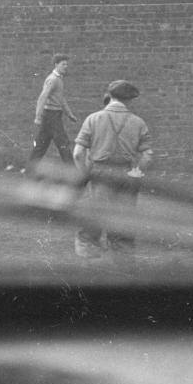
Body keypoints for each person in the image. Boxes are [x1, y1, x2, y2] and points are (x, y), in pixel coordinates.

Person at [72, 79, 153, 259]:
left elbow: (77, 153)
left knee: (96, 213)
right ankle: (122, 254)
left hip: (100, 172)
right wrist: (137, 172)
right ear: (129, 99)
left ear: (110, 96)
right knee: (124, 216)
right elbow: (147, 156)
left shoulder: (93, 119)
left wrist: (86, 174)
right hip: (127, 173)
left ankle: (89, 252)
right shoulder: (138, 122)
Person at [27, 53, 77, 168]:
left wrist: (69, 114)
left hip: (54, 115)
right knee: (63, 142)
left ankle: (30, 169)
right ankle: (73, 172)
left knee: (41, 144)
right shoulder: (52, 79)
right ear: (56, 65)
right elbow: (43, 97)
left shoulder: (59, 79)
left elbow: (61, 98)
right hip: (51, 115)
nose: (66, 66)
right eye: (63, 64)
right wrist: (38, 116)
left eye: (66, 64)